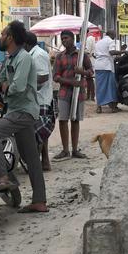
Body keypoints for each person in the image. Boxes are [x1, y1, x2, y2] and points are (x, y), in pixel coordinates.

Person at [0, 21, 48, 213]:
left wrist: (4, 87)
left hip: (23, 111)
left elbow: (18, 87)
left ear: (10, 37)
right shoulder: (11, 58)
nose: (0, 38)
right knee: (31, 158)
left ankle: (2, 177)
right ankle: (40, 201)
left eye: (3, 34)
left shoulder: (24, 58)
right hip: (17, 110)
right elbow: (1, 79)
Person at [52, 30, 94, 159]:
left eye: (66, 38)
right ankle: (65, 150)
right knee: (63, 120)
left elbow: (91, 71)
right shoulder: (60, 56)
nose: (64, 41)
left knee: (75, 120)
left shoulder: (82, 56)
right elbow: (55, 76)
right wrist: (71, 82)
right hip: (64, 92)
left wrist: (82, 72)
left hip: (78, 93)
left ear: (72, 38)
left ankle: (75, 149)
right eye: (62, 39)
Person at [24, 31, 54, 172]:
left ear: (26, 43)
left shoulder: (38, 55)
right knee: (41, 133)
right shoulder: (33, 54)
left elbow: (42, 77)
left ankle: (37, 163)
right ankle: (44, 161)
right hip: (37, 98)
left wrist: (24, 84)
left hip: (40, 99)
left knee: (38, 133)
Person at [92, 32, 121, 113]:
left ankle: (99, 107)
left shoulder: (98, 42)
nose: (114, 38)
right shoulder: (110, 41)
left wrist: (101, 56)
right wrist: (123, 52)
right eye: (114, 36)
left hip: (98, 66)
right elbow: (111, 52)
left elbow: (94, 55)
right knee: (110, 87)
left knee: (99, 87)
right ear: (111, 35)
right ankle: (112, 107)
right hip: (107, 66)